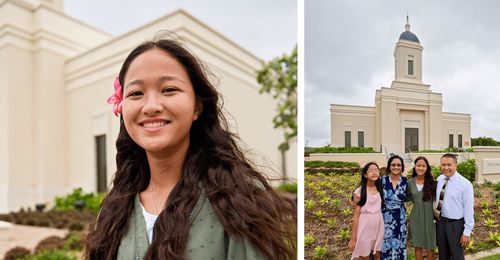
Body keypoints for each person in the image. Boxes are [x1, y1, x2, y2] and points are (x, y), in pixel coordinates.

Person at [84, 36, 296, 260]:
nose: (151, 106)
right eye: (136, 93)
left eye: (169, 89)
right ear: (122, 106)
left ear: (197, 107)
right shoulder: (114, 208)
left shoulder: (239, 201)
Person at [435, 153, 474, 260]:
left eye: (449, 165)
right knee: (443, 256)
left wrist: (467, 232)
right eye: (443, 165)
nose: (446, 168)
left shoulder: (465, 184)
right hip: (440, 223)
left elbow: (469, 210)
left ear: (455, 165)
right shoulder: (439, 179)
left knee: (457, 256)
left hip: (455, 226)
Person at [348, 162, 384, 260]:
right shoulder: (359, 191)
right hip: (364, 227)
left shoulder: (380, 188)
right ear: (365, 174)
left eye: (376, 170)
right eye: (371, 170)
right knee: (364, 255)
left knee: (377, 255)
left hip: (378, 226)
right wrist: (353, 238)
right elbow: (355, 217)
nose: (374, 172)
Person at [407, 156, 436, 260]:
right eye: (418, 165)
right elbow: (406, 197)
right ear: (415, 167)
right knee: (417, 244)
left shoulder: (433, 183)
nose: (420, 168)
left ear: (427, 168)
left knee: (430, 245)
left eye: (423, 166)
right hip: (416, 217)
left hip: (430, 217)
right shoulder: (409, 183)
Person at [381, 155, 407, 259]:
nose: (396, 167)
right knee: (385, 243)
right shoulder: (381, 180)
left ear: (402, 167)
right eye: (393, 165)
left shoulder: (405, 181)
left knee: (399, 242)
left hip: (400, 218)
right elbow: (367, 188)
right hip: (385, 217)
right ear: (389, 166)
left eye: (399, 165)